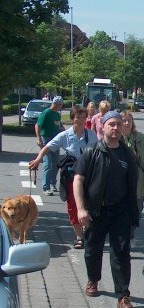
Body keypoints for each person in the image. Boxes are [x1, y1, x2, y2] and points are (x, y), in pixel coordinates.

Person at [73, 111, 139, 308]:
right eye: (112, 124)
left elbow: (133, 185)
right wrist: (81, 208)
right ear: (102, 126)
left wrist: (133, 212)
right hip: (96, 209)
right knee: (93, 249)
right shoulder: (92, 150)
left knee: (121, 252)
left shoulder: (128, 154)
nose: (116, 128)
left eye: (119, 124)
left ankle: (123, 295)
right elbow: (78, 180)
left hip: (121, 210)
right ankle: (93, 280)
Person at [29, 105, 98, 248]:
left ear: (86, 119)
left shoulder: (91, 135)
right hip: (72, 174)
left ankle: (87, 229)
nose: (80, 120)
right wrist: (37, 160)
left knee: (90, 203)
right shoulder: (65, 135)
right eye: (77, 117)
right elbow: (48, 147)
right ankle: (79, 237)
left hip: (89, 174)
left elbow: (100, 152)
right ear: (72, 119)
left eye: (83, 117)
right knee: (73, 206)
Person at [120, 110, 144, 238]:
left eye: (129, 120)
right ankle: (123, 235)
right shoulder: (115, 138)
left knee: (136, 211)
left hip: (138, 182)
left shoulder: (141, 138)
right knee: (122, 212)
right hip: (120, 182)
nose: (126, 123)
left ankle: (130, 233)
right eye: (123, 120)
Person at [35, 96, 64, 196]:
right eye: (60, 104)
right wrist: (39, 139)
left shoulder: (57, 114)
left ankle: (52, 184)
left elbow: (59, 125)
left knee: (56, 164)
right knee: (48, 164)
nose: (61, 106)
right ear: (56, 104)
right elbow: (38, 125)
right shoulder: (46, 112)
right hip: (46, 140)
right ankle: (46, 187)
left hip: (55, 140)